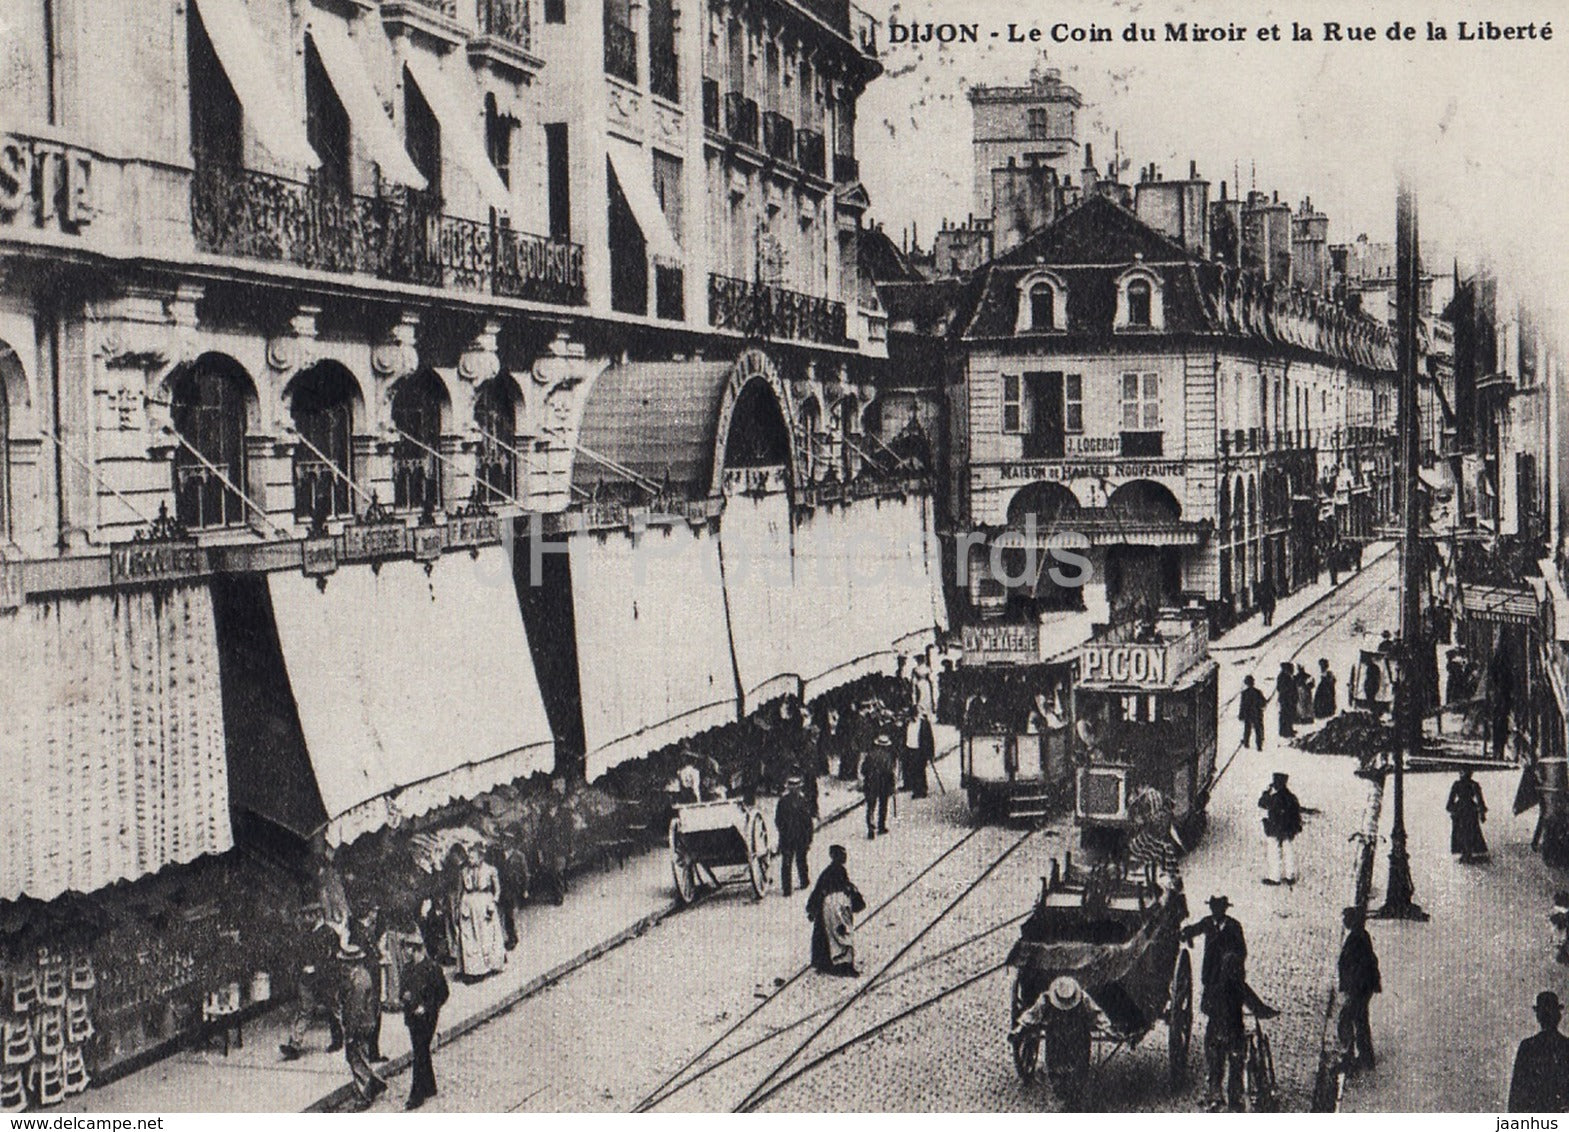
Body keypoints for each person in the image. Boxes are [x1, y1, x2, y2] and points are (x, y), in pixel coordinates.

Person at [280, 911, 345, 1060]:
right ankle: (294, 1045)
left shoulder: (329, 933)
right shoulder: (306, 934)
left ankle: (339, 1040)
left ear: (317, 915)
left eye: (308, 916)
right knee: (305, 1010)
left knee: (333, 1009)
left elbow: (334, 959)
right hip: (307, 979)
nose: (305, 919)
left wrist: (316, 968)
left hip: (325, 979)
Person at [399, 938, 449, 1110]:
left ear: (416, 949)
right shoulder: (406, 969)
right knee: (421, 1050)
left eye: (407, 948)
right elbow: (401, 991)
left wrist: (427, 1007)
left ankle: (416, 1094)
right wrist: (404, 996)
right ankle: (430, 1086)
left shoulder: (433, 969)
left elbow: (443, 993)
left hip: (427, 1018)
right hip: (412, 1017)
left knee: (419, 1052)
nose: (404, 952)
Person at [338, 944, 387, 1108]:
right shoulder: (361, 975)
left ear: (351, 963)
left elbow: (355, 1009)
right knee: (360, 1057)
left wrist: (350, 1032)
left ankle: (364, 1096)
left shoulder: (358, 981)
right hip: (366, 1022)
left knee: (356, 1058)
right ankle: (375, 1082)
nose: (342, 965)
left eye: (344, 962)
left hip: (359, 1025)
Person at [805, 844, 864, 976]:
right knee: (843, 935)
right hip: (837, 908)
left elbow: (818, 891)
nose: (845, 858)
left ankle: (827, 963)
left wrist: (811, 909)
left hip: (828, 907)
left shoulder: (827, 872)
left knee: (830, 936)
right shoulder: (840, 872)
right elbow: (848, 889)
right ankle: (844, 966)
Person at [1508, 991, 1569, 1112]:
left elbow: (1516, 1094)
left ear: (1538, 1017)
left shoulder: (1528, 1047)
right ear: (1558, 1015)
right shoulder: (1566, 1045)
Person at [1337, 907, 1381, 1073]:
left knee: (1350, 1020)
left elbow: (1356, 966)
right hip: (1362, 987)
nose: (1344, 922)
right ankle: (1364, 1057)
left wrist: (1350, 989)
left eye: (1347, 918)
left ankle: (1354, 1057)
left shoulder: (1356, 939)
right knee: (1358, 1021)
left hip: (1359, 988)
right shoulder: (1361, 936)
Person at [453, 844, 506, 980]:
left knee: (486, 935)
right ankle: (473, 969)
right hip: (468, 904)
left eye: (472, 857)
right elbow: (460, 890)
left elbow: (497, 890)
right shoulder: (463, 871)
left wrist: (493, 902)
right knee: (469, 937)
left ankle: (491, 965)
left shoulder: (490, 870)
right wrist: (458, 908)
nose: (470, 860)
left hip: (484, 903)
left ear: (480, 857)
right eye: (469, 857)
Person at [1182, 896, 1248, 1000]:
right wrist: (1186, 934)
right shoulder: (1207, 922)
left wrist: (1232, 958)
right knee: (1208, 1001)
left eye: (1219, 908)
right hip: (1210, 965)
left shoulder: (1234, 925)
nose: (1216, 911)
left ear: (1224, 909)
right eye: (1213, 908)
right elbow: (1193, 929)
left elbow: (1242, 950)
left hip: (1227, 967)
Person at [1258, 772, 1303, 885]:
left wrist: (1266, 792)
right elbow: (1296, 814)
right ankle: (1290, 876)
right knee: (1288, 850)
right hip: (1288, 828)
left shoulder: (1274, 798)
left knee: (1274, 851)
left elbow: (1262, 803)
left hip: (1275, 827)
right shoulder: (1291, 797)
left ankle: (1275, 877)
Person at [774, 775, 815, 898]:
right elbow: (808, 822)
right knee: (797, 861)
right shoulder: (801, 801)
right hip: (796, 837)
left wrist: (783, 831)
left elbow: (778, 820)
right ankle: (799, 883)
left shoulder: (784, 801)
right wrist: (809, 837)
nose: (794, 790)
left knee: (792, 862)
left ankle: (792, 886)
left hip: (790, 837)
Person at [1446, 768, 1489, 862]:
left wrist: (1482, 812)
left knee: (1467, 831)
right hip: (1467, 810)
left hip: (1464, 810)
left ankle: (1467, 852)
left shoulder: (1470, 785)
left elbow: (1480, 800)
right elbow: (1450, 801)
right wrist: (1482, 812)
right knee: (1466, 832)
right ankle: (1466, 852)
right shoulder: (1470, 784)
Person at [862, 734, 896, 840]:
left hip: (870, 783)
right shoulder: (888, 757)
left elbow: (863, 770)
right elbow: (890, 772)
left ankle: (870, 828)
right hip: (884, 784)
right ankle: (881, 826)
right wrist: (892, 785)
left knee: (871, 807)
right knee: (883, 805)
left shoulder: (870, 755)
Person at [1240, 676, 1266, 750]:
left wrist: (1241, 714)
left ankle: (1246, 743)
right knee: (1258, 729)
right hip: (1257, 713)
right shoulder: (1258, 692)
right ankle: (1259, 745)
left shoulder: (1244, 693)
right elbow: (1263, 703)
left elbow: (1242, 705)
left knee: (1247, 729)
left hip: (1248, 714)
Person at [1276, 662, 1297, 738]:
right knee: (1285, 715)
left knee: (1288, 714)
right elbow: (1279, 688)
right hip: (1286, 699)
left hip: (1288, 699)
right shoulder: (1283, 677)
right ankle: (1285, 731)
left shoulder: (1286, 676)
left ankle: (1289, 729)